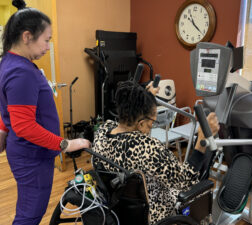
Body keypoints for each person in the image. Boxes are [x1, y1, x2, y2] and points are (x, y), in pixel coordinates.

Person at [0, 0, 90, 224]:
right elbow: (24, 126)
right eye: (46, 40)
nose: (48, 47)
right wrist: (66, 144)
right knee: (30, 215)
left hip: (26, 152)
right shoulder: (21, 71)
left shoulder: (10, 63)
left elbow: (8, 111)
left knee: (29, 210)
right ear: (27, 36)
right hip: (32, 156)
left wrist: (3, 130)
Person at [92, 80, 219, 224]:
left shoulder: (102, 131)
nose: (152, 125)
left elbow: (126, 130)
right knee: (199, 190)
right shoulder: (147, 148)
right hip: (152, 212)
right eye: (152, 122)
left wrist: (146, 98)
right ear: (140, 124)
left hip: (116, 207)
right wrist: (201, 141)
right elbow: (185, 181)